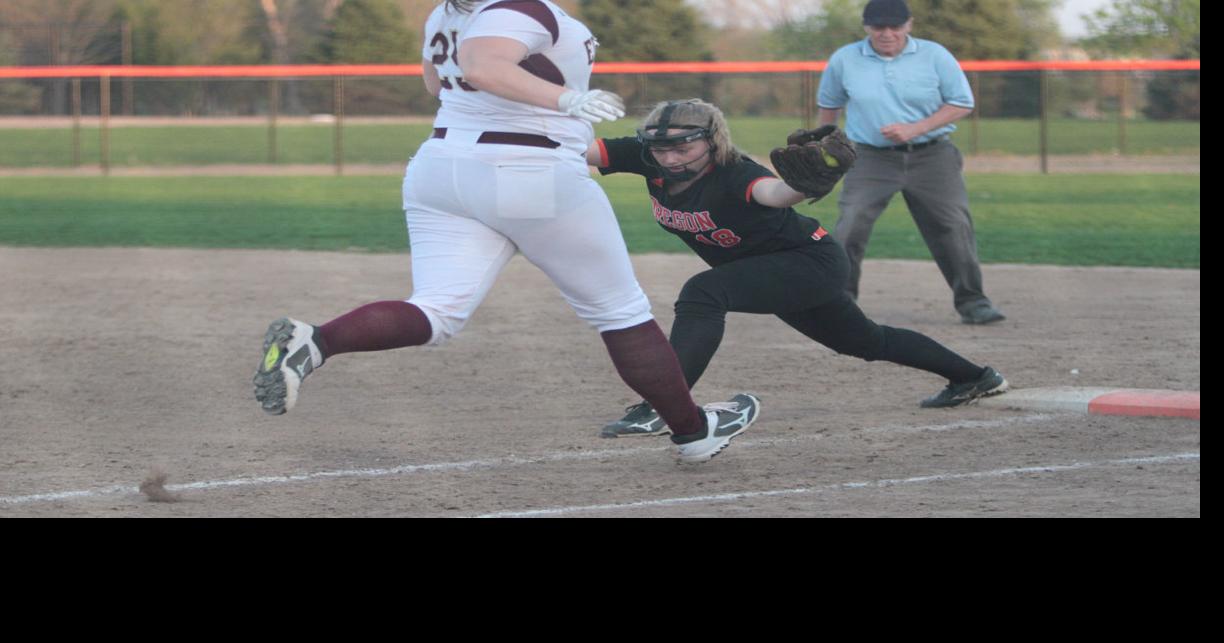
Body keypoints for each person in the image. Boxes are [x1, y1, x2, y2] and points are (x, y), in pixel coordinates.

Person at [252, 0, 760, 464]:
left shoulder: (445, 13)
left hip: (441, 167)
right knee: (619, 312)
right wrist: (565, 101)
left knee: (436, 310)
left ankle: (316, 343)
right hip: (524, 167)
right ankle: (694, 433)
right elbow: (480, 66)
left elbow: (439, 84)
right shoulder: (521, 8)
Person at [589, 98, 1008, 438]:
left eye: (684, 147)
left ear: (713, 141)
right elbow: (574, 149)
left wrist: (806, 182)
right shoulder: (649, 158)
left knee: (703, 292)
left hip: (808, 263)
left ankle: (661, 408)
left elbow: (774, 192)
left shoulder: (735, 172)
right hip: (768, 272)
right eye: (660, 147)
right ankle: (975, 378)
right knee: (865, 341)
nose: (670, 156)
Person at [816, 0, 1006, 325]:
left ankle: (973, 302)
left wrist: (915, 128)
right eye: (878, 27)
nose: (887, 33)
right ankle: (841, 303)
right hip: (870, 159)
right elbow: (829, 105)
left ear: (909, 25)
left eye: (895, 26)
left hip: (932, 157)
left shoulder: (935, 55)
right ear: (866, 27)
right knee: (851, 224)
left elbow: (961, 103)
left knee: (953, 227)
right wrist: (823, 146)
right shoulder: (845, 59)